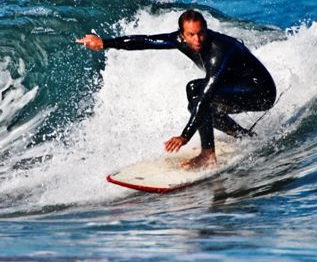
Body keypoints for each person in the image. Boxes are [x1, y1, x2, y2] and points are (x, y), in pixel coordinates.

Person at [76, 10, 276, 169]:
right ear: (182, 34)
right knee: (193, 91)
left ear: (206, 30)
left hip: (261, 92)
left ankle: (208, 154)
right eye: (191, 35)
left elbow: (206, 96)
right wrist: (105, 43)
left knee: (201, 99)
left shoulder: (219, 50)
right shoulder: (179, 40)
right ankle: (243, 136)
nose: (197, 40)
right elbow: (145, 41)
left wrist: (185, 136)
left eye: (201, 33)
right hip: (233, 87)